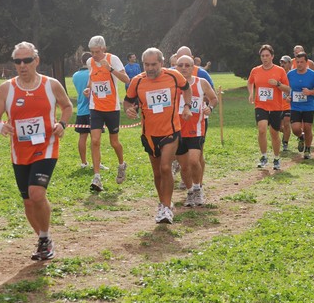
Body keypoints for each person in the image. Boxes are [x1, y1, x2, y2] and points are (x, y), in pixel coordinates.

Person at [0, 41, 73, 261]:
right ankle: (43, 239)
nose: (22, 65)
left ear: (36, 61)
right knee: (28, 200)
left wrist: (62, 125)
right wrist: (0, 126)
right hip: (20, 151)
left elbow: (67, 106)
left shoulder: (51, 85)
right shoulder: (6, 88)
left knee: (37, 193)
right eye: (18, 61)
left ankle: (44, 238)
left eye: (27, 60)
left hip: (46, 147)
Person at [124, 47, 192, 224]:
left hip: (170, 131)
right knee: (157, 172)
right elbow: (128, 101)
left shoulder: (173, 76)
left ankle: (167, 207)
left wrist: (186, 106)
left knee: (165, 167)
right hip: (149, 134)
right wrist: (129, 110)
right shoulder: (137, 81)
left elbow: (187, 89)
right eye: (146, 64)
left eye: (154, 64)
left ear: (161, 63)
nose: (150, 68)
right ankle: (162, 203)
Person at [83, 35, 129, 192]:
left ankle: (122, 164)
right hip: (95, 107)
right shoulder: (90, 62)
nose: (94, 55)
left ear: (103, 48)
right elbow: (92, 78)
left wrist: (110, 68)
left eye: (97, 51)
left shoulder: (113, 59)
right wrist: (88, 88)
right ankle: (97, 177)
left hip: (112, 108)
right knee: (95, 141)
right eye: (92, 52)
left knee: (114, 142)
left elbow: (126, 79)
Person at [174, 55, 218, 206]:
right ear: (176, 67)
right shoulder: (172, 84)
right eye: (181, 65)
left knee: (194, 161)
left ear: (193, 68)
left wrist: (209, 108)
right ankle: (190, 192)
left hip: (196, 128)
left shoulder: (201, 83)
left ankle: (198, 190)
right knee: (184, 166)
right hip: (178, 130)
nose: (184, 68)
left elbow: (213, 98)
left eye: (187, 65)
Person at [247, 45, 290, 169]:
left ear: (272, 56)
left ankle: (276, 158)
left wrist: (278, 84)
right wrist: (251, 93)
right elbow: (250, 82)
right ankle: (264, 156)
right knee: (262, 129)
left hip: (276, 106)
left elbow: (287, 89)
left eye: (267, 55)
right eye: (262, 56)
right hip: (261, 105)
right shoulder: (255, 70)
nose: (265, 58)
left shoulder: (279, 71)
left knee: (274, 133)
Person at [72, 52, 108, 170]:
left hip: (81, 110)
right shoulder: (93, 73)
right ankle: (97, 163)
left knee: (82, 136)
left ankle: (83, 162)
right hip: (94, 109)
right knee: (95, 138)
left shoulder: (75, 75)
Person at [287, 52, 314, 159]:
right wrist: (287, 96)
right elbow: (285, 88)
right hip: (295, 106)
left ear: (306, 62)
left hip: (308, 105)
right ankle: (301, 137)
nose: (299, 64)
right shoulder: (290, 74)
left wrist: (310, 92)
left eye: (302, 62)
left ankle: (307, 149)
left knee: (308, 127)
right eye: (297, 62)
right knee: (295, 128)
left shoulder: (312, 75)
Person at [279, 55, 293, 151]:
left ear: (290, 64)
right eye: (281, 62)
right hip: (278, 104)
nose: (282, 64)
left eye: (284, 62)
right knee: (278, 127)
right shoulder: (277, 74)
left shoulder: (292, 75)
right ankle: (289, 134)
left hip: (288, 104)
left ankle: (285, 143)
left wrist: (290, 96)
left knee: (287, 123)